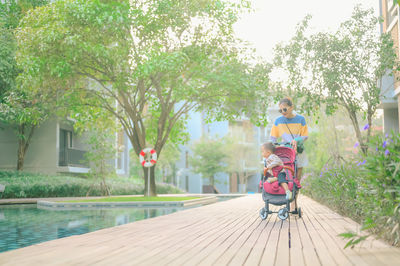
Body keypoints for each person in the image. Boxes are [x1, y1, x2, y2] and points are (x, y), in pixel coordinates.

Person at [270, 97, 308, 211]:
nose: (283, 112)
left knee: (296, 179)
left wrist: (297, 140)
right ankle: (285, 198)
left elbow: (305, 135)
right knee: (285, 176)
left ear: (292, 107)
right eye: (280, 110)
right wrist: (274, 146)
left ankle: (294, 203)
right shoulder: (278, 121)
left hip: (298, 152)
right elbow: (273, 137)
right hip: (285, 153)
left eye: (285, 109)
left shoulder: (301, 119)